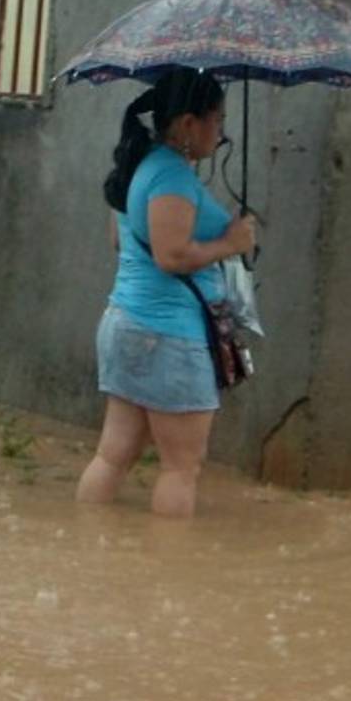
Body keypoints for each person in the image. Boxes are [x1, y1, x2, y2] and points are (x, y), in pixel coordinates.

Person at [76, 68, 256, 518]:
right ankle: (168, 576)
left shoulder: (140, 165)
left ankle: (86, 552)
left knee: (112, 456)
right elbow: (171, 256)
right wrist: (230, 243)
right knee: (181, 468)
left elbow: (121, 240)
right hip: (169, 337)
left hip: (127, 325)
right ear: (188, 124)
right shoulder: (171, 178)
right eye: (216, 120)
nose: (221, 132)